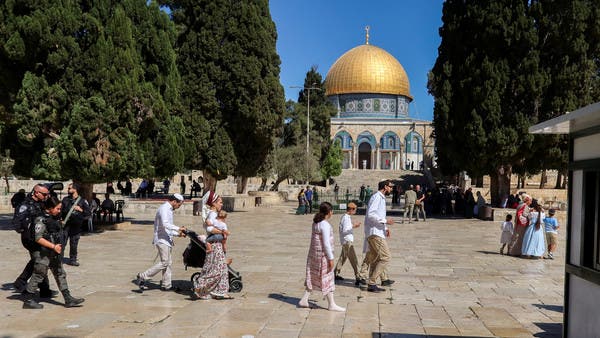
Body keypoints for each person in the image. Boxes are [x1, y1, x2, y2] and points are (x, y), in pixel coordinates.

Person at [22, 196, 85, 309]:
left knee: (60, 273)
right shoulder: (40, 220)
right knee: (39, 274)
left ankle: (68, 298)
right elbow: (38, 238)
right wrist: (53, 246)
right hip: (43, 252)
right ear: (49, 208)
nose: (59, 211)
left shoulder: (53, 218)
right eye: (57, 208)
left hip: (53, 252)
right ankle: (28, 300)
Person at [298, 202, 345, 311]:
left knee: (314, 277)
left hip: (314, 255)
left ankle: (305, 299)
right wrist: (331, 258)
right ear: (329, 212)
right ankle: (331, 304)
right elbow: (326, 243)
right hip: (323, 257)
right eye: (332, 211)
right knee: (328, 277)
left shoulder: (316, 223)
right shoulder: (325, 225)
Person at [136, 194, 186, 291]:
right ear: (174, 201)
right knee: (165, 262)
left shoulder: (169, 209)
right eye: (179, 205)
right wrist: (179, 228)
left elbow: (167, 228)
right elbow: (165, 224)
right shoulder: (164, 208)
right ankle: (143, 276)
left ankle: (166, 285)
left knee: (168, 263)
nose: (178, 207)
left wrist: (178, 234)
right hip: (161, 239)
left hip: (166, 239)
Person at [12, 184, 53, 296]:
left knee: (39, 261)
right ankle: (21, 282)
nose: (46, 196)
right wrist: (27, 231)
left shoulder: (41, 203)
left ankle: (44, 289)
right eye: (44, 194)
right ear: (36, 192)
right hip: (30, 239)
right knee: (39, 261)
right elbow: (17, 222)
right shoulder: (25, 205)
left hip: (39, 237)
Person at [193, 192, 233, 300]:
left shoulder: (214, 214)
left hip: (217, 244)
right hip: (215, 245)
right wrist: (223, 231)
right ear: (214, 203)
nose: (222, 204)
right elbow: (210, 229)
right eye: (220, 202)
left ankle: (220, 291)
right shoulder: (213, 214)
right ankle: (200, 286)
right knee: (217, 270)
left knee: (222, 268)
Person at [363, 180, 395, 292]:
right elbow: (371, 214)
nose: (391, 189)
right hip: (375, 233)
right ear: (385, 187)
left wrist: (385, 227)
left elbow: (377, 214)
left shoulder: (380, 197)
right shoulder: (377, 197)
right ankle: (372, 282)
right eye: (390, 187)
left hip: (377, 231)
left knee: (376, 258)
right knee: (386, 257)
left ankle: (372, 284)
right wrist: (385, 221)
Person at [61, 183, 91, 266]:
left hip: (76, 226)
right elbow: (60, 211)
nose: (68, 190)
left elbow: (88, 213)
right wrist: (60, 219)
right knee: (62, 242)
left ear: (75, 189)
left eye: (69, 188)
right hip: (66, 225)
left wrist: (80, 210)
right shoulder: (65, 200)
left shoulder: (82, 201)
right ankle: (59, 259)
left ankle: (72, 259)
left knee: (74, 243)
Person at [334, 202, 361, 284]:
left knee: (343, 258)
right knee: (354, 260)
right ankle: (358, 276)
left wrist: (352, 225)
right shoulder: (346, 218)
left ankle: (334, 274)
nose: (355, 211)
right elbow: (345, 230)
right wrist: (354, 226)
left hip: (345, 241)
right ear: (351, 209)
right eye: (355, 209)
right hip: (347, 242)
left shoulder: (346, 217)